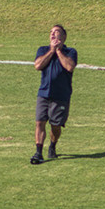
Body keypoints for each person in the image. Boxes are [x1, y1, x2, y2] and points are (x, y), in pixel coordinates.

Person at [31, 24, 77, 164]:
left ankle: (53, 145)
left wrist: (58, 51)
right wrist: (51, 50)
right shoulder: (43, 50)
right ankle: (38, 152)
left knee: (55, 126)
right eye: (51, 32)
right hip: (43, 93)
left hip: (61, 95)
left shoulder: (70, 52)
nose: (52, 34)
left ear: (63, 37)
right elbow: (38, 66)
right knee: (40, 122)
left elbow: (69, 66)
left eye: (56, 32)